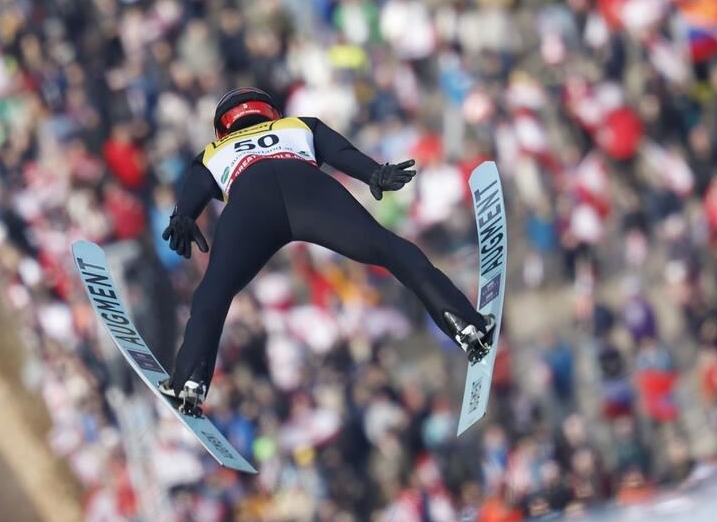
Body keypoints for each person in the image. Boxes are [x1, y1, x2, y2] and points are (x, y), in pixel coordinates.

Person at [159, 87, 495, 414]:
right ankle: (464, 323)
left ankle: (189, 381)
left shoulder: (213, 151)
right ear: (271, 112)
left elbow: (195, 190)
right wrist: (373, 173)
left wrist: (182, 215)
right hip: (310, 192)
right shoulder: (298, 125)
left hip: (251, 204)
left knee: (212, 293)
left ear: (222, 127)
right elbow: (341, 153)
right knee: (391, 250)